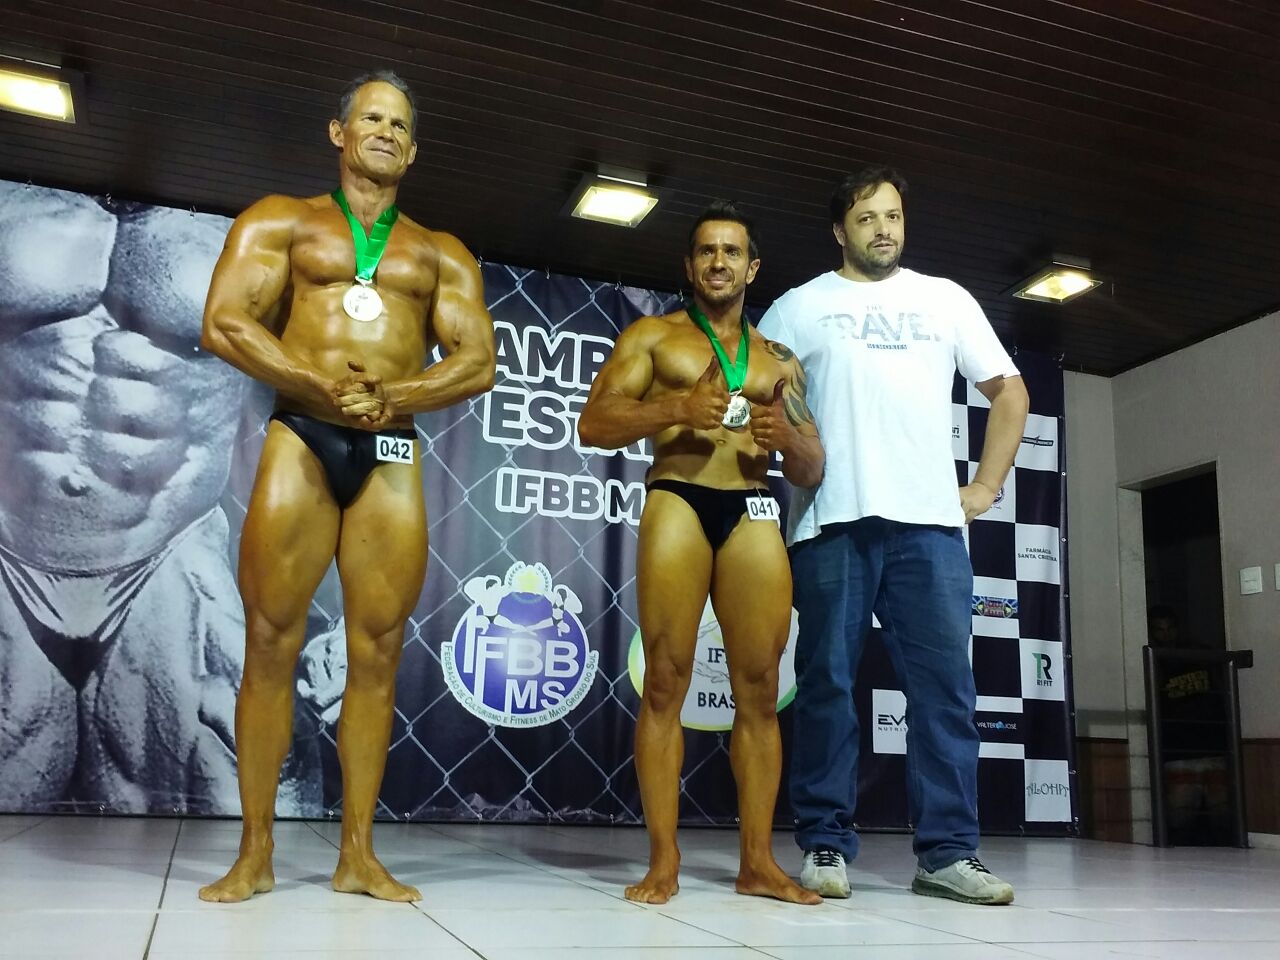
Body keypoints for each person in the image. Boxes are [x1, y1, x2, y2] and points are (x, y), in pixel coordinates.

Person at [197, 70, 495, 903]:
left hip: (391, 445)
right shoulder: (282, 220)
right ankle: (255, 853)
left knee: (378, 649)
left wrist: (397, 394)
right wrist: (317, 384)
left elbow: (478, 361)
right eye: (372, 118)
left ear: (414, 148)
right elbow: (223, 322)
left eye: (400, 125)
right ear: (339, 132)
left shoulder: (439, 252)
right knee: (270, 638)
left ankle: (357, 854)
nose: (386, 132)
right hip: (303, 429)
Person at [758, 165, 1029, 904]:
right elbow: (755, 402)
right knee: (827, 687)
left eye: (894, 216)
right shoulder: (797, 307)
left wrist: (984, 488)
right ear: (838, 230)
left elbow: (1009, 392)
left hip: (931, 529)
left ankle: (948, 854)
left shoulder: (945, 299)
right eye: (867, 217)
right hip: (831, 520)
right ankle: (824, 842)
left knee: (945, 694)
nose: (884, 229)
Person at [578, 200, 825, 906]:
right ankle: (663, 862)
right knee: (664, 680)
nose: (719, 262)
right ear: (689, 267)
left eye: (732, 252)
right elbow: (594, 423)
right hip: (678, 499)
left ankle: (758, 864)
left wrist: (790, 441)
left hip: (752, 505)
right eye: (707, 251)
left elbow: (811, 468)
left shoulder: (779, 362)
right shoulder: (653, 338)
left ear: (752, 268)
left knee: (761, 689)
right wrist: (677, 409)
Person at [0, 182, 247, 814]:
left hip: (164, 549)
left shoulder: (263, 238)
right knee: (13, 753)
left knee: (220, 769)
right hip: (8, 540)